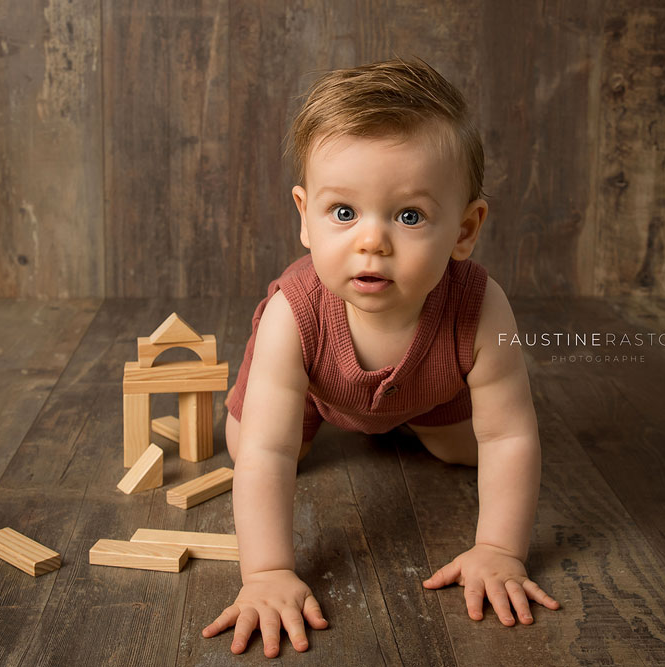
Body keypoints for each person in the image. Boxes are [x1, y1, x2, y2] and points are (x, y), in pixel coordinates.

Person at [202, 57, 560, 658]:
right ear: (305, 218)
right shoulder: (296, 313)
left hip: (430, 387)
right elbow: (267, 452)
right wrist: (265, 573)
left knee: (466, 450)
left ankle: (414, 420)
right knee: (255, 444)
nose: (372, 240)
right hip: (315, 388)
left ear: (466, 230)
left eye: (409, 215)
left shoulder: (480, 308)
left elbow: (509, 439)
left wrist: (500, 550)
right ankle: (333, 421)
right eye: (344, 213)